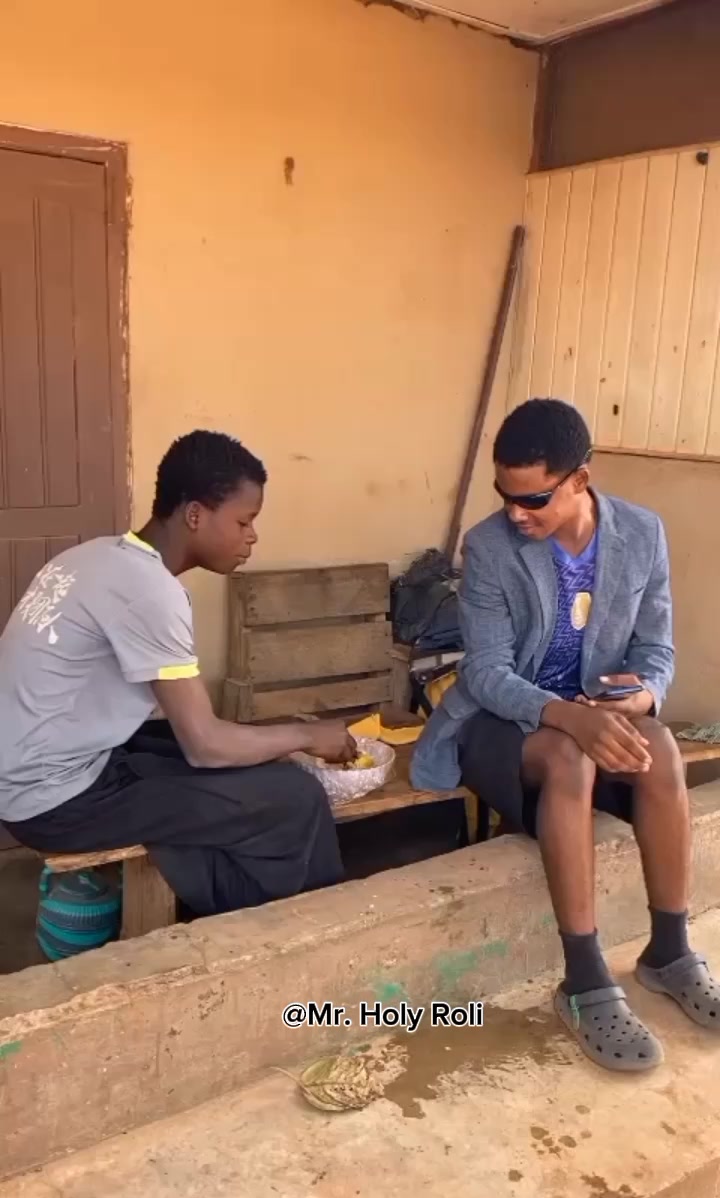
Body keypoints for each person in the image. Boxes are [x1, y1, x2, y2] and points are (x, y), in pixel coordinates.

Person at [412, 398, 720, 1072]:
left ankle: (669, 951)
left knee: (661, 748)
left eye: (534, 498)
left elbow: (657, 648)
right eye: (505, 495)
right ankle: (583, 978)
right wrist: (568, 714)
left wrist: (643, 694)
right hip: (501, 725)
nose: (516, 513)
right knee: (569, 759)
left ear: (581, 478)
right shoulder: (490, 547)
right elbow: (486, 673)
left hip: (594, 715)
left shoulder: (642, 533)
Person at [0, 430, 358, 918]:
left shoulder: (96, 555)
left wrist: (279, 739)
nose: (252, 536)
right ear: (195, 515)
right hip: (54, 802)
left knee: (219, 752)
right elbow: (205, 745)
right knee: (295, 796)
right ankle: (292, 927)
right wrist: (308, 735)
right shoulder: (150, 591)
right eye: (244, 520)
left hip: (35, 770)